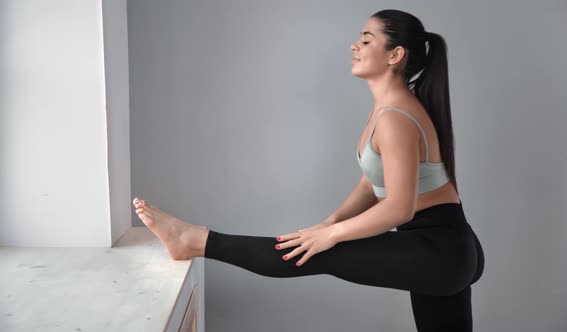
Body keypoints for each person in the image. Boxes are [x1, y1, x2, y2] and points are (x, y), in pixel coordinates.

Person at [132, 9, 484, 332]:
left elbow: (398, 207)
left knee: (318, 251)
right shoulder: (389, 109)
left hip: (439, 248)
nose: (355, 45)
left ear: (395, 55)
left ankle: (192, 240)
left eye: (366, 39)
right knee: (318, 242)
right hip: (441, 247)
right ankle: (191, 240)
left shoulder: (396, 117)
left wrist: (331, 236)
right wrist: (329, 223)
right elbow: (371, 182)